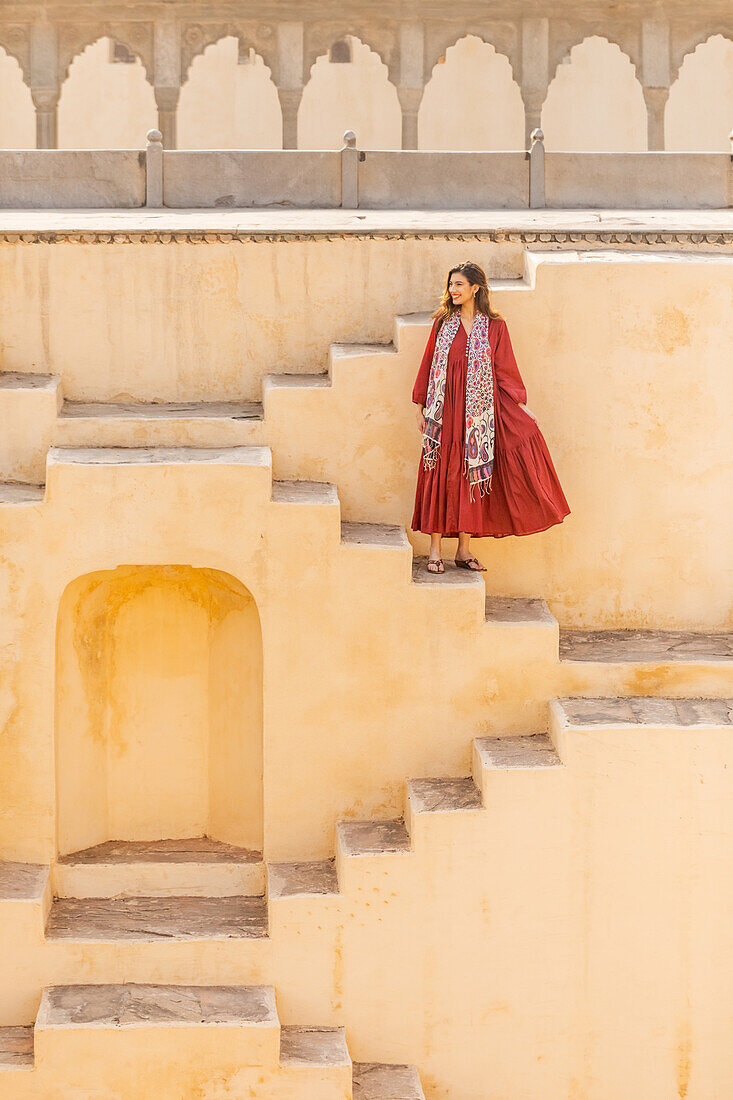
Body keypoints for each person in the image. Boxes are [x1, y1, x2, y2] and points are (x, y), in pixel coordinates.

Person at [412, 260, 570, 573]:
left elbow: (505, 370)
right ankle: (434, 550)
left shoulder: (495, 327)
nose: (452, 290)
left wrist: (521, 407)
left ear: (475, 288)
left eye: (459, 284)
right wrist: (420, 407)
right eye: (451, 284)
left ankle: (463, 550)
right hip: (443, 413)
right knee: (441, 472)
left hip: (477, 418)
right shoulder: (443, 322)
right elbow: (429, 362)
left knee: (471, 474)